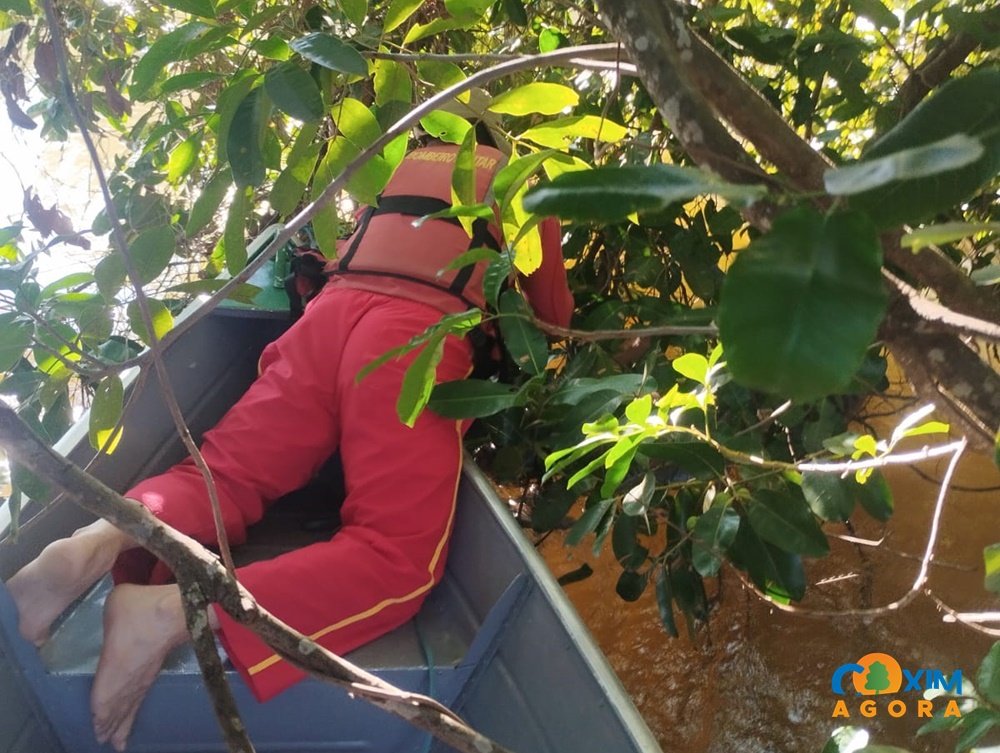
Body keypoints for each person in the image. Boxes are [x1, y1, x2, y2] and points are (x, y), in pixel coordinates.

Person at [4, 112, 574, 751]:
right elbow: (554, 318)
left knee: (222, 472)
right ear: (507, 140)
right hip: (411, 339)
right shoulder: (524, 180)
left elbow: (337, 259)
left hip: (325, 324)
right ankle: (161, 616)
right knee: (398, 559)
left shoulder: (389, 176)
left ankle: (94, 541)